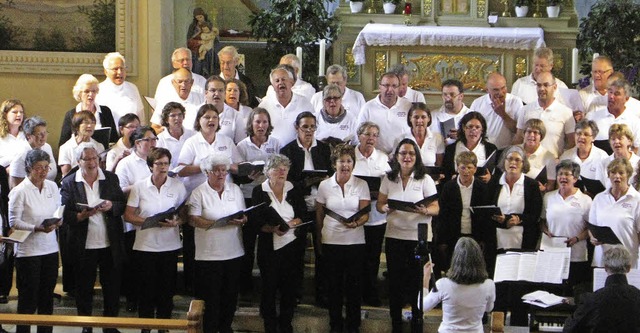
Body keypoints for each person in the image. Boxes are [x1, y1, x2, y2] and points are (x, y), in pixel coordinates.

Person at [61, 142, 126, 333]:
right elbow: (64, 213)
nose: (91, 162)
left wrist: (110, 206)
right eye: (86, 159)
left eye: (94, 158)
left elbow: (121, 205)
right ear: (78, 161)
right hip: (83, 243)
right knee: (84, 288)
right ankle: (86, 325)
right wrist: (80, 216)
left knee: (112, 287)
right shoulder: (69, 182)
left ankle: (110, 326)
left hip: (109, 242)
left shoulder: (111, 178)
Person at [377, 138, 439, 333]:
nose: (407, 157)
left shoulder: (425, 179)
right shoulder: (388, 178)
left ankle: (416, 324)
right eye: (403, 153)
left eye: (411, 153)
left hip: (418, 238)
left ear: (416, 157)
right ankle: (396, 323)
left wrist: (425, 211)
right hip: (395, 236)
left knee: (416, 284)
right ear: (396, 156)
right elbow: (379, 204)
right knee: (395, 282)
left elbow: (436, 207)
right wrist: (384, 207)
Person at [123, 148, 187, 330]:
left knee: (166, 291)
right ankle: (146, 327)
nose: (163, 167)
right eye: (159, 163)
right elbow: (128, 216)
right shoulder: (139, 187)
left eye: (166, 163)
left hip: (169, 245)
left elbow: (184, 214)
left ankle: (163, 326)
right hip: (145, 246)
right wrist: (151, 222)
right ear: (151, 166)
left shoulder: (177, 186)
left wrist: (177, 222)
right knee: (146, 291)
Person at [188, 154, 246, 333]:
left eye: (224, 170)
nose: (221, 174)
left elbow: (243, 214)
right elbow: (193, 220)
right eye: (216, 171)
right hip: (209, 254)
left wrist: (243, 219)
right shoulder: (199, 192)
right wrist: (219, 223)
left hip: (233, 251)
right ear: (207, 172)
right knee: (211, 298)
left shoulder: (235, 189)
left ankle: (226, 327)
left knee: (230, 297)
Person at [279, 111, 332, 306]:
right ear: (296, 128)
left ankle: (323, 294)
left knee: (322, 250)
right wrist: (306, 182)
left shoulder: (324, 149)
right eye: (305, 127)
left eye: (312, 127)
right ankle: (295, 293)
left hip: (320, 205)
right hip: (298, 206)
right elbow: (285, 181)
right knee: (296, 252)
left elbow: (331, 174)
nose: (309, 131)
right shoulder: (288, 151)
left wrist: (323, 179)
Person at [316, 144, 370, 333]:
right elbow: (319, 216)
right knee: (334, 287)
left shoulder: (361, 184)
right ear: (334, 164)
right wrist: (318, 240)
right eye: (342, 161)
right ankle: (335, 325)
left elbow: (365, 213)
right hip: (331, 241)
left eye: (349, 161)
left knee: (354, 287)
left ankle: (353, 326)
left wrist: (356, 223)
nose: (346, 165)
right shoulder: (324, 185)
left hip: (355, 242)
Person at [252, 154, 307, 333]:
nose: (282, 171)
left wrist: (290, 225)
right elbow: (256, 221)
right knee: (269, 287)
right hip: (270, 247)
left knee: (289, 288)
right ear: (268, 172)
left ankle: (286, 323)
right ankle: (269, 324)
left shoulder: (294, 189)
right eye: (277, 168)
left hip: (292, 245)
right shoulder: (259, 191)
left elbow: (302, 215)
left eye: (285, 168)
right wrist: (272, 228)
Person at [9, 149, 62, 333]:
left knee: (46, 298)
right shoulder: (19, 191)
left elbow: (57, 210)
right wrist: (36, 228)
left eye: (46, 167)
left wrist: (58, 221)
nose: (43, 171)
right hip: (28, 252)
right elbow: (13, 222)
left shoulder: (52, 187)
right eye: (39, 168)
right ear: (29, 168)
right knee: (28, 300)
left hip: (50, 249)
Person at [235, 107, 281, 293]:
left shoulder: (276, 143)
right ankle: (245, 284)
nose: (261, 126)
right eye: (257, 122)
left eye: (264, 122)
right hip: (248, 196)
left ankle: (268, 283)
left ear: (269, 124)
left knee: (267, 242)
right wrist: (249, 176)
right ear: (251, 124)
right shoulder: (242, 146)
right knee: (247, 241)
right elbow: (237, 175)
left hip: (267, 196)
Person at [352, 122, 391, 307]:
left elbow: (389, 186)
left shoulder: (382, 158)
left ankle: (370, 292)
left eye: (375, 135)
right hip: (355, 216)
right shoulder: (350, 156)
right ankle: (354, 292)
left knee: (373, 257)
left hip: (376, 216)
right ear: (359, 135)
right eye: (367, 134)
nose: (371, 138)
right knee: (356, 257)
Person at [422, 237, 496, 333]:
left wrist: (425, 279)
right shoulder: (489, 285)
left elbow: (423, 307)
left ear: (455, 259)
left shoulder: (443, 284)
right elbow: (488, 308)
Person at [563, 246, 640, 332]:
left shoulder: (591, 299)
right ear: (629, 268)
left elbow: (569, 329)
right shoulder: (638, 296)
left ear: (606, 268)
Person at [437, 152, 491, 273]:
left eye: (469, 167)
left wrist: (484, 239)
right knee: (454, 270)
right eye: (462, 167)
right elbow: (443, 216)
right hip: (453, 236)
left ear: (475, 169)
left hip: (475, 235)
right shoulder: (448, 187)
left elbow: (486, 216)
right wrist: (442, 241)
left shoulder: (482, 188)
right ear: (457, 168)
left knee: (474, 270)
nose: (466, 171)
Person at [541, 160, 592, 288]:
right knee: (553, 291)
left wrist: (577, 238)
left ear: (575, 178)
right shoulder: (548, 197)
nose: (563, 177)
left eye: (567, 174)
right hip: (552, 253)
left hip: (577, 255)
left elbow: (591, 227)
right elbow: (541, 221)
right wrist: (546, 231)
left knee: (573, 292)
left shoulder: (585, 200)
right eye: (560, 174)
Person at [489, 145, 543, 252]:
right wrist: (505, 222)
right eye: (510, 159)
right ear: (504, 162)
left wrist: (516, 219)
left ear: (523, 164)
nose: (513, 163)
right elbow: (487, 212)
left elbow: (535, 215)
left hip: (524, 240)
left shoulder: (531, 185)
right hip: (497, 240)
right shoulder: (493, 183)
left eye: (517, 160)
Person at [177, 104, 241, 192]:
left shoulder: (227, 141)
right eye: (207, 117)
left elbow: (239, 166)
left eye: (215, 117)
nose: (211, 120)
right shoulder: (191, 142)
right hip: (197, 193)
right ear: (199, 120)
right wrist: (204, 167)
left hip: (225, 193)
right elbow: (181, 171)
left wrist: (224, 166)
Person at [589, 157, 640, 268]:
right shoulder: (599, 198)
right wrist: (592, 237)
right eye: (613, 172)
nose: (617, 176)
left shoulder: (637, 199)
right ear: (608, 175)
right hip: (602, 260)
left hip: (627, 262)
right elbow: (592, 227)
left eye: (621, 173)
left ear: (628, 175)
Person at [514, 71, 576, 158]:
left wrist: (561, 160)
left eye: (546, 85)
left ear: (554, 87)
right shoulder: (525, 110)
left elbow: (572, 142)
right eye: (539, 85)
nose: (542, 89)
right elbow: (519, 139)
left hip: (553, 164)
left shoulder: (566, 112)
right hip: (528, 165)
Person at [357, 72, 412, 154]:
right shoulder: (368, 108)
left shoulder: (408, 106)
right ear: (380, 86)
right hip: (376, 158)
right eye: (386, 85)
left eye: (394, 86)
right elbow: (359, 134)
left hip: (401, 157)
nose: (390, 90)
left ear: (399, 88)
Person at [258, 65, 314, 146]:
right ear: (272, 86)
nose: (281, 83)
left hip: (297, 152)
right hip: (271, 152)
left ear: (291, 82)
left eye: (284, 79)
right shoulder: (264, 105)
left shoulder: (304, 103)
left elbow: (313, 128)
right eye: (277, 81)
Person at [59, 74, 119, 147]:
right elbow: (63, 144)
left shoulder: (105, 111)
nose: (91, 94)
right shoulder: (71, 114)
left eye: (93, 91)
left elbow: (114, 139)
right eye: (86, 91)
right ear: (79, 93)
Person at [586, 77, 640, 154]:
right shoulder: (592, 117)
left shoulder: (634, 122)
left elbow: (636, 149)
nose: (611, 97)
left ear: (626, 99)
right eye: (610, 92)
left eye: (616, 94)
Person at [470, 72, 523, 150]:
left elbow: (519, 132)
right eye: (496, 90)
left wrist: (503, 114)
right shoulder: (477, 103)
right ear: (487, 90)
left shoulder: (515, 101)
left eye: (503, 88)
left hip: (506, 150)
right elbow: (471, 129)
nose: (501, 93)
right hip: (483, 150)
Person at [442, 111, 497, 182]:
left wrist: (490, 178)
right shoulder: (451, 149)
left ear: (482, 130)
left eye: (477, 127)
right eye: (470, 126)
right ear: (464, 128)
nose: (473, 130)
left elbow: (496, 174)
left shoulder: (491, 149)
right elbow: (445, 173)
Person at [559, 120, 609, 197]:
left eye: (586, 134)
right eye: (578, 134)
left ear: (593, 138)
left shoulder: (602, 157)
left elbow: (606, 185)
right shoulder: (566, 156)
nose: (581, 137)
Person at [95, 52, 145, 126]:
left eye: (122, 68)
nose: (119, 72)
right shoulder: (98, 90)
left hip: (132, 135)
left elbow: (141, 118)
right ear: (106, 72)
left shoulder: (132, 88)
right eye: (115, 69)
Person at [150, 68, 204, 133]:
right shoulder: (164, 100)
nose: (183, 85)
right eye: (180, 82)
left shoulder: (201, 99)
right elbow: (154, 128)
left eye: (186, 81)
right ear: (173, 83)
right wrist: (167, 132)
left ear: (192, 82)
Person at [9, 116, 57, 188]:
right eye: (39, 134)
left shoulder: (47, 147)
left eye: (45, 132)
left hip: (48, 191)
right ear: (28, 136)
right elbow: (15, 186)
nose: (43, 136)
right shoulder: (21, 154)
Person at [58, 111, 106, 177]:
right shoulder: (65, 148)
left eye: (93, 122)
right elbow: (66, 174)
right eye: (86, 122)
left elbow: (101, 170)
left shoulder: (99, 146)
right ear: (77, 126)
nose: (90, 126)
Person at [398, 102, 444, 167]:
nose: (419, 120)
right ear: (410, 118)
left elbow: (438, 166)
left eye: (423, 117)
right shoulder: (401, 139)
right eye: (416, 117)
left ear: (429, 118)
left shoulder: (438, 138)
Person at [594, 124, 640, 189]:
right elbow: (599, 190)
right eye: (613, 139)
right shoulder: (603, 164)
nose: (616, 141)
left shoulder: (638, 163)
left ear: (629, 141)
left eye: (620, 138)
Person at [430, 79, 471, 145]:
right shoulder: (432, 115)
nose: (448, 98)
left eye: (452, 95)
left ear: (461, 96)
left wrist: (462, 137)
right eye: (445, 95)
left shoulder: (471, 116)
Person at [521, 118, 557, 192]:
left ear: (541, 136)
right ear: (524, 133)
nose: (531, 135)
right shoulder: (515, 150)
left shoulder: (549, 157)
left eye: (535, 132)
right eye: (529, 131)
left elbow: (551, 185)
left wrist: (544, 189)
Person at [155, 102, 195, 169]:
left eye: (180, 115)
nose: (177, 118)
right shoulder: (160, 139)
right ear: (166, 119)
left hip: (191, 176)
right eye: (173, 115)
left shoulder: (192, 135)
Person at [0, 99, 26, 171]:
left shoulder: (27, 136)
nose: (19, 115)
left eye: (21, 112)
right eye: (14, 112)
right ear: (5, 114)